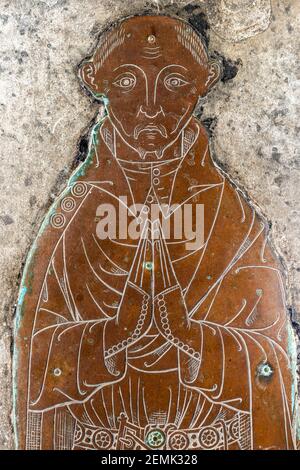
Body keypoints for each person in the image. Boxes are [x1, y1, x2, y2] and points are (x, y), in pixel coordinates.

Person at [15, 15, 296, 450]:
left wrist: (194, 338)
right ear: (97, 82)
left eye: (173, 81)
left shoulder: (230, 214)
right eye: (127, 80)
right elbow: (35, 358)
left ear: (200, 87)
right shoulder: (73, 216)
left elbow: (271, 359)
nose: (150, 105)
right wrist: (108, 337)